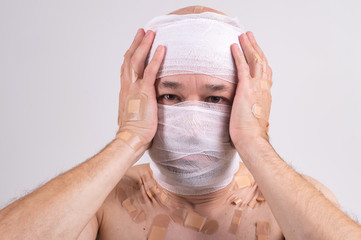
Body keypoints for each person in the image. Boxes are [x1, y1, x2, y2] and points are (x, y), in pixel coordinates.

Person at [0, 5, 361, 240]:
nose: (192, 127)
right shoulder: (101, 202)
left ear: (245, 102)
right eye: (169, 96)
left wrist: (255, 139)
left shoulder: (290, 203)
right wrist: (128, 138)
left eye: (215, 98)